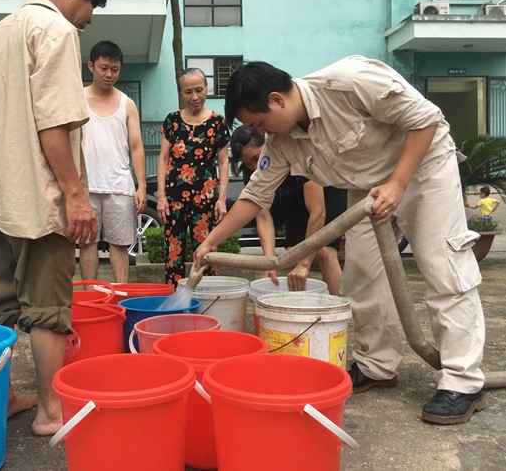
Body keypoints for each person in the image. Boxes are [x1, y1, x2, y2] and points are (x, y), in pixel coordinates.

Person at [194, 56, 486, 425]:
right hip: (365, 189)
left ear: (277, 99)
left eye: (260, 123)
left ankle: (462, 381)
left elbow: (426, 119)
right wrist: (210, 243)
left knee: (443, 269)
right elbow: (256, 197)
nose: (264, 134)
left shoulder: (350, 81)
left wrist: (398, 183)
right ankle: (378, 365)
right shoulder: (282, 142)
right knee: (362, 277)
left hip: (423, 167)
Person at [0, 0, 107, 435]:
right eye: (92, 5)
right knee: (48, 308)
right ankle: (51, 412)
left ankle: (3, 398)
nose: (88, 18)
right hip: (38, 196)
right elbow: (54, 119)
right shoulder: (56, 30)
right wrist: (75, 195)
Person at [230, 125, 346, 295]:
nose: (255, 167)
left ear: (269, 145)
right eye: (248, 163)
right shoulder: (254, 173)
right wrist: (269, 262)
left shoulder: (295, 152)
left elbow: (318, 212)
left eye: (257, 158)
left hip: (328, 188)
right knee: (293, 253)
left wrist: (305, 264)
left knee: (324, 250)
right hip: (296, 197)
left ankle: (338, 310)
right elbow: (263, 217)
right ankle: (301, 313)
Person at [79, 41, 146, 283]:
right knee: (87, 244)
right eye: (104, 68)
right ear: (91, 66)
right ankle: (91, 298)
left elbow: (136, 146)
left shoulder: (127, 103)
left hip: (119, 185)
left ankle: (120, 297)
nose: (109, 74)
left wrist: (141, 186)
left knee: (120, 245)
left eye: (115, 69)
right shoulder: (77, 99)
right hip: (85, 187)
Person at [157, 68, 230, 284]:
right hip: (174, 200)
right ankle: (174, 303)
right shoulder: (172, 121)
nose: (195, 96)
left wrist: (222, 200)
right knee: (173, 254)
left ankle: (207, 299)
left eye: (199, 90)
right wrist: (161, 197)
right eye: (188, 92)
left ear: (207, 89)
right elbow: (162, 160)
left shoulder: (218, 123)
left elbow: (224, 162)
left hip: (205, 201)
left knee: (206, 253)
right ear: (181, 93)